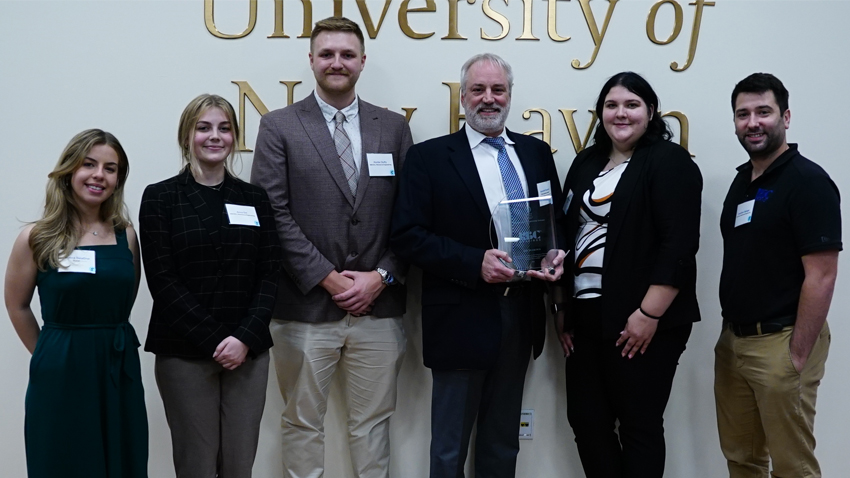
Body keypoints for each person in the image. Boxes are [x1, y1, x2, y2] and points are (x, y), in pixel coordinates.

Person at [250, 16, 412, 478]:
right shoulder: (279, 126)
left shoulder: (394, 128)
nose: (336, 62)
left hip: (379, 308)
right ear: (311, 61)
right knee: (302, 423)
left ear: (362, 61)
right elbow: (273, 213)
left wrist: (381, 276)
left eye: (346, 54)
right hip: (304, 307)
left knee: (373, 425)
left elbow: (411, 216)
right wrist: (328, 276)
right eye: (327, 54)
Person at [391, 53, 565, 478]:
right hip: (459, 316)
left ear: (510, 95)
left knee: (502, 444)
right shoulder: (429, 158)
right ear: (463, 97)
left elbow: (553, 222)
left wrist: (554, 254)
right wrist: (474, 262)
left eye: (498, 90)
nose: (489, 99)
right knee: (449, 449)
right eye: (478, 90)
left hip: (520, 314)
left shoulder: (536, 152)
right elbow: (407, 236)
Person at [557, 71, 702, 477]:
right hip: (586, 319)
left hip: (642, 321)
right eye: (612, 105)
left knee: (638, 426)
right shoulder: (587, 162)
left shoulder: (668, 162)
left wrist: (649, 315)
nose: (621, 113)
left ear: (651, 112)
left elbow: (678, 245)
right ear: (601, 112)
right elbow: (566, 235)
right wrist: (561, 309)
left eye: (632, 104)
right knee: (586, 421)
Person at [139, 94, 280, 478]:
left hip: (248, 354)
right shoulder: (160, 197)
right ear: (187, 135)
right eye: (204, 127)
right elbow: (162, 280)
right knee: (197, 464)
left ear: (235, 136)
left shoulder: (254, 197)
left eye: (224, 128)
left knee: (239, 464)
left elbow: (270, 273)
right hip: (184, 352)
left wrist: (243, 339)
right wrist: (217, 340)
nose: (214, 136)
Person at [714, 73, 841, 478]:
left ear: (785, 117)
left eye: (763, 112)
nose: (753, 122)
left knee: (792, 466)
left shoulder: (808, 182)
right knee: (743, 459)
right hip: (735, 343)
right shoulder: (743, 181)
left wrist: (797, 355)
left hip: (782, 342)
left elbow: (821, 276)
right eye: (743, 114)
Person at [4, 129, 148, 477]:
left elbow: (126, 296)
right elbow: (16, 305)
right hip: (61, 367)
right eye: (89, 164)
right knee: (63, 457)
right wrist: (47, 353)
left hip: (117, 364)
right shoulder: (36, 237)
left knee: (122, 456)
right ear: (69, 171)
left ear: (118, 179)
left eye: (110, 168)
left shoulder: (125, 233)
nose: (99, 174)